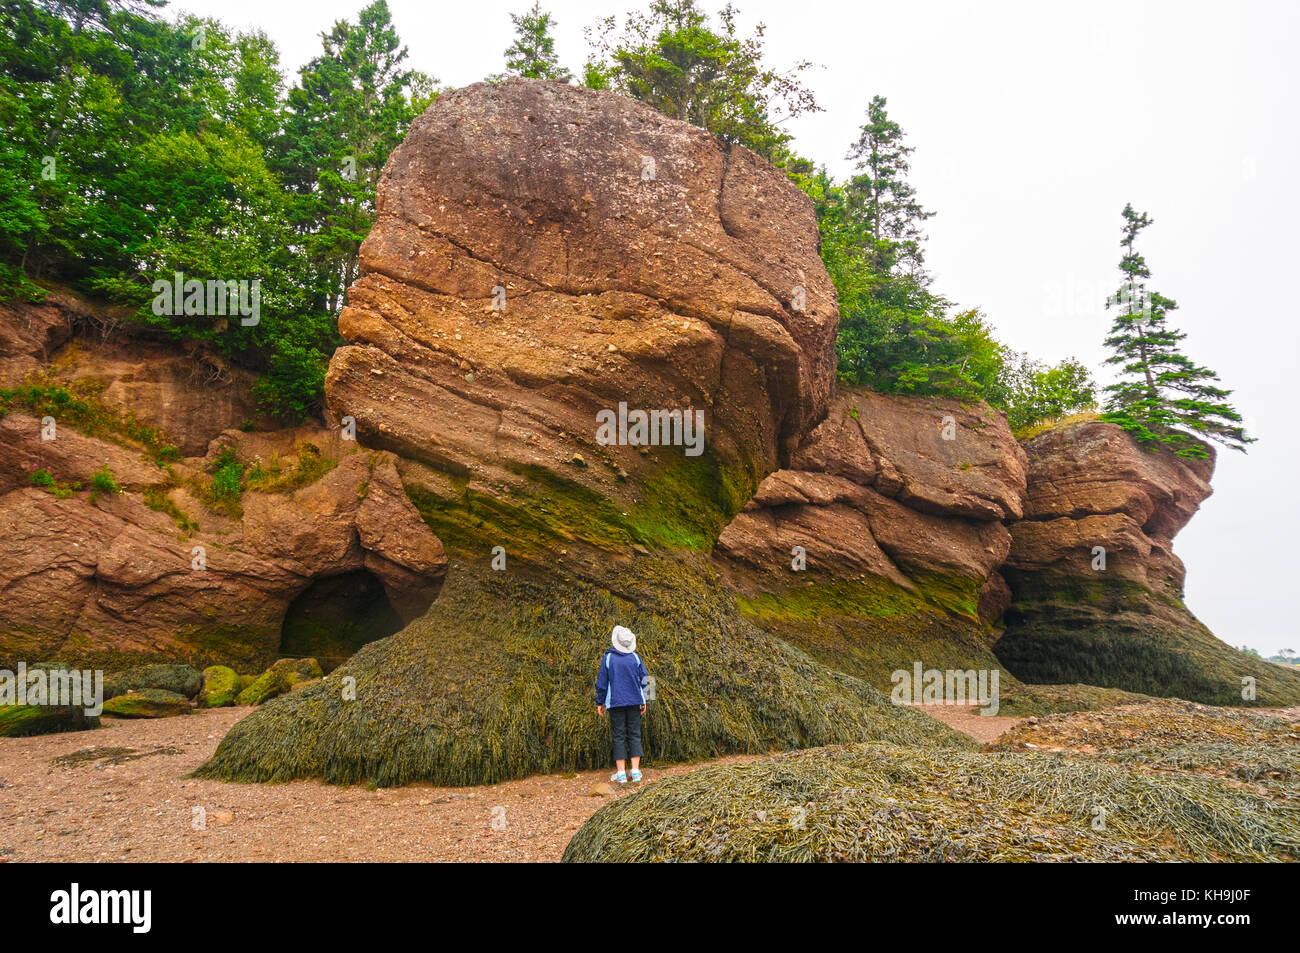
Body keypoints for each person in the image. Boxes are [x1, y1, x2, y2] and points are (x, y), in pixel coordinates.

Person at [595, 624, 649, 784]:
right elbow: (645, 679)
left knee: (618, 736)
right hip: (635, 701)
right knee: (634, 734)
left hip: (616, 702)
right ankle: (636, 771)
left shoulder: (609, 658)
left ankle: (621, 774)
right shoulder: (636, 657)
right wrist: (645, 699)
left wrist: (600, 701)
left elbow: (602, 682)